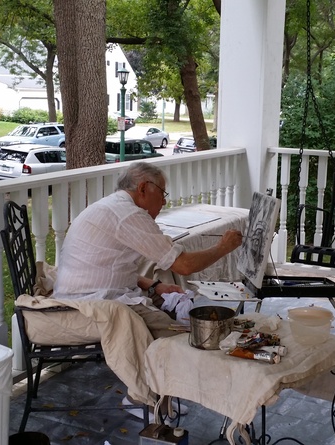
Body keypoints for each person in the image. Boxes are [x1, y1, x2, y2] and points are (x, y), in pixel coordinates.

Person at [52, 161, 243, 418]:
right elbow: (183, 265)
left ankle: (157, 394)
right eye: (162, 193)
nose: (164, 201)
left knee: (172, 310)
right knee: (178, 333)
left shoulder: (114, 206)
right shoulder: (129, 215)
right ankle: (143, 397)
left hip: (87, 292)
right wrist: (223, 247)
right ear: (143, 188)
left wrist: (155, 284)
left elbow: (113, 266)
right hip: (84, 304)